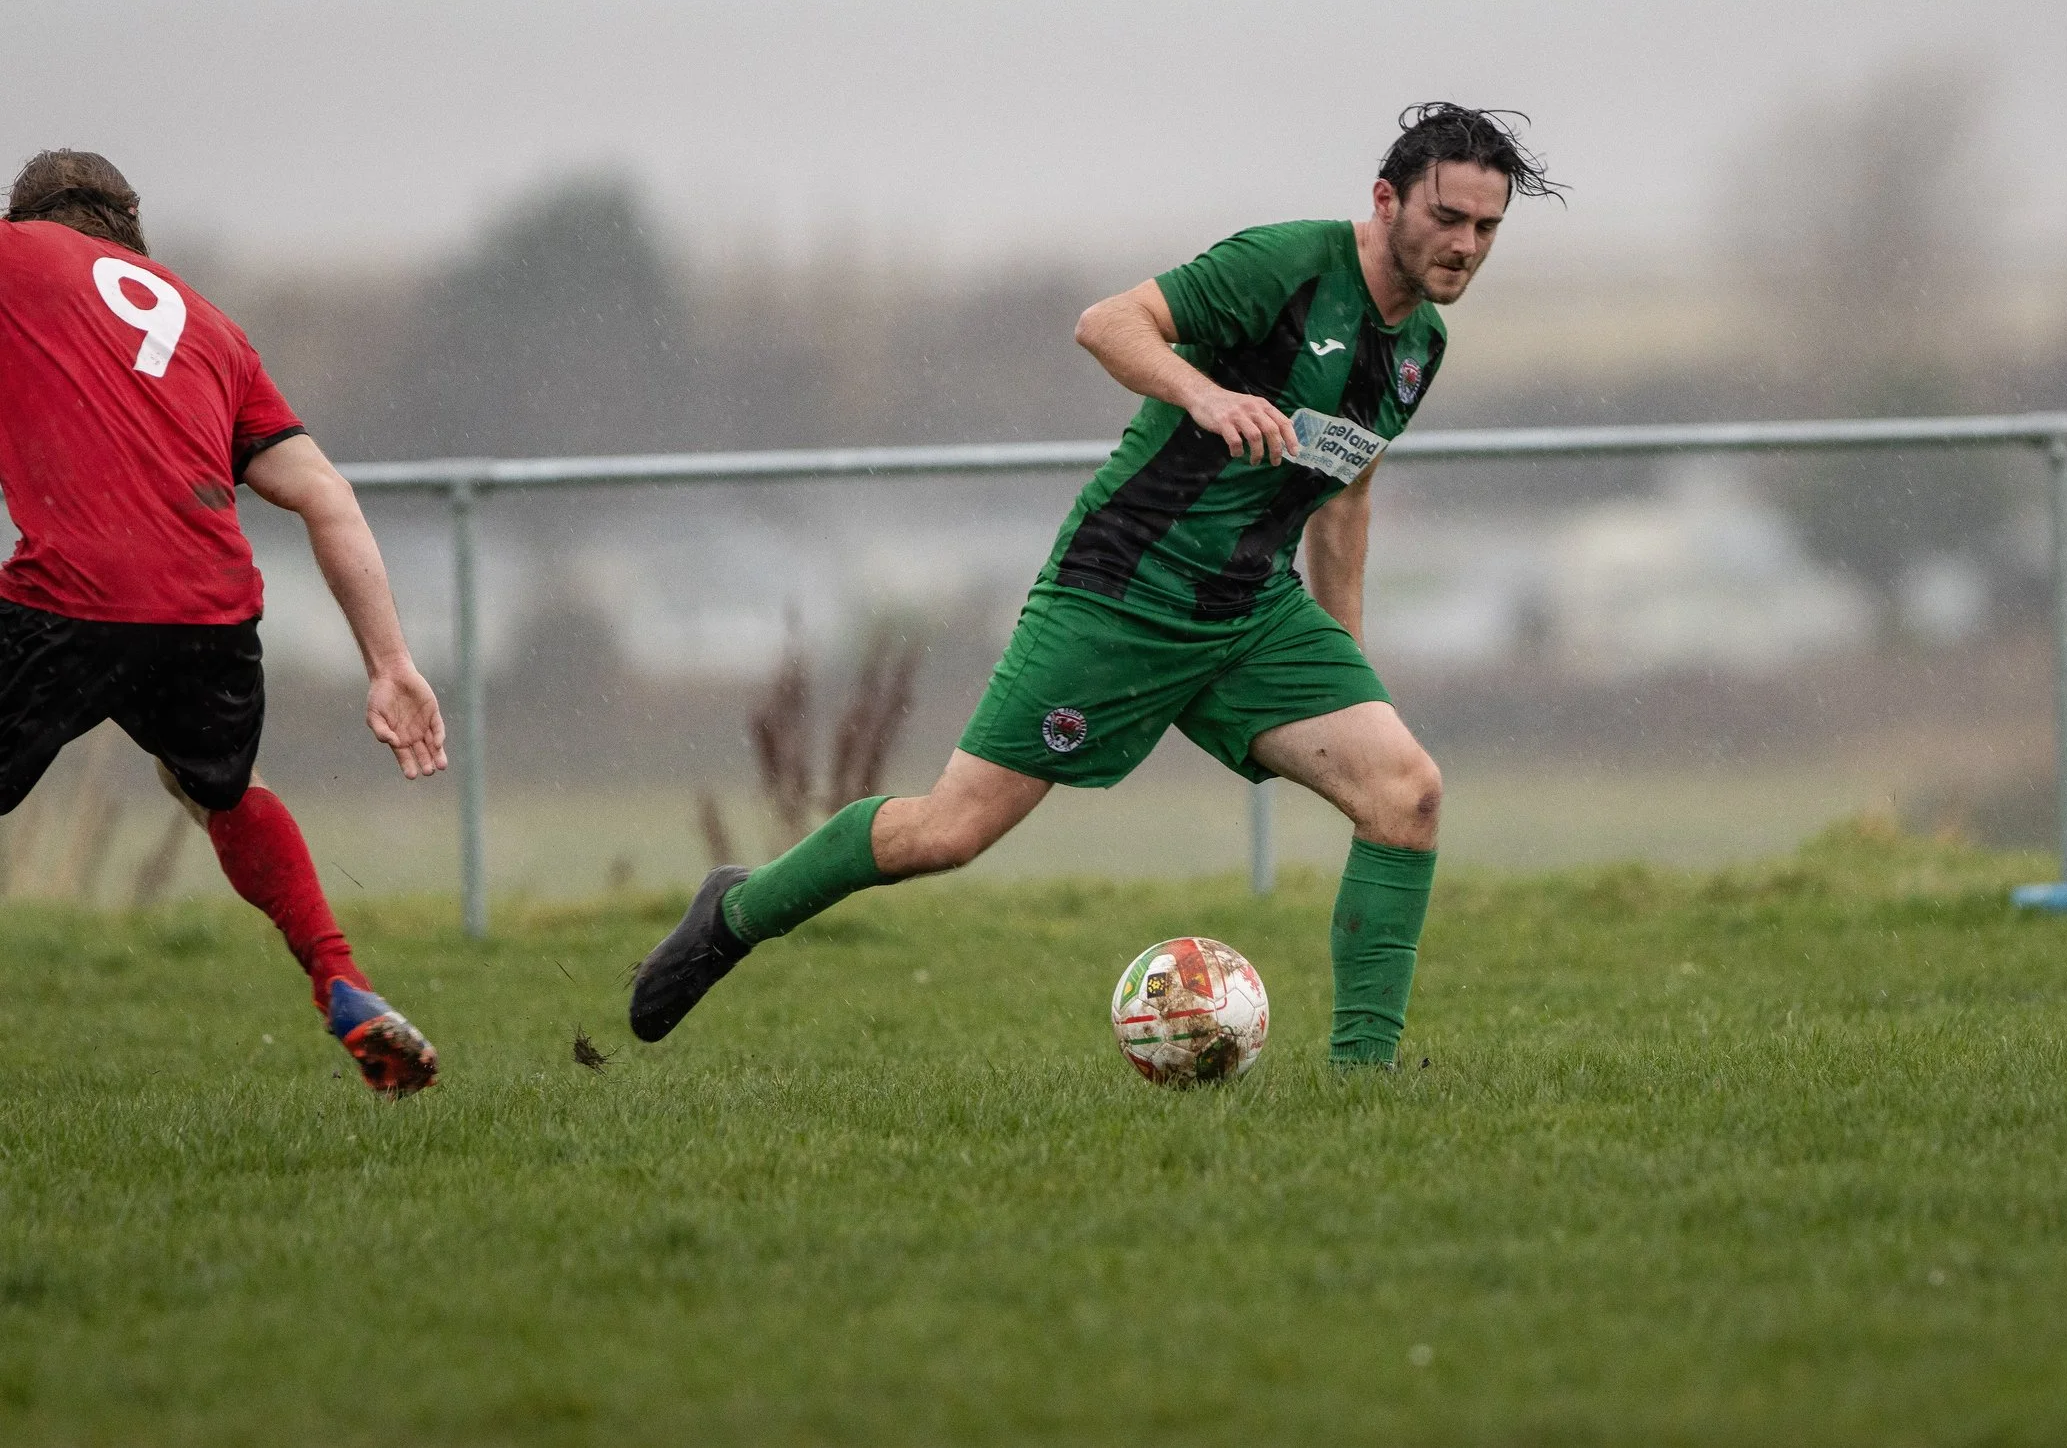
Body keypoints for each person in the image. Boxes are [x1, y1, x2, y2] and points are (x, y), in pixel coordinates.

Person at [633, 103, 1559, 1064]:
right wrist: (1202, 391)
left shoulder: (1421, 347)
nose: (1465, 246)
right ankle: (734, 914)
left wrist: (1347, 662)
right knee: (950, 832)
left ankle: (1364, 1084)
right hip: (1122, 586)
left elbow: (1347, 493)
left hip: (1251, 611)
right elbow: (1108, 323)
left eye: (1487, 228)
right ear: (1386, 200)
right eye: (1447, 218)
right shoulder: (1286, 266)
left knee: (1406, 794)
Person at [0, 150, 448, 1095]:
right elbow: (324, 494)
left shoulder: (18, 259)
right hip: (209, 609)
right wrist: (391, 662)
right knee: (218, 790)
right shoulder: (211, 329)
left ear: (34, 219)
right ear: (130, 234)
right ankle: (343, 979)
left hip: (74, 593)